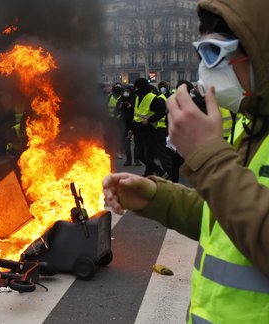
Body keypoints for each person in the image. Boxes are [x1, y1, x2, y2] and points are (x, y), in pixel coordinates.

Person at [103, 1, 269, 322]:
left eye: (213, 51)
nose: (205, 66)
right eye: (201, 52)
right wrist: (155, 196)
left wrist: (209, 158)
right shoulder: (251, 126)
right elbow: (222, 219)